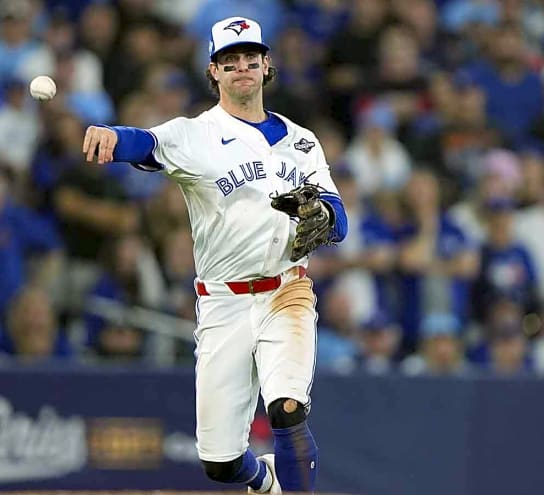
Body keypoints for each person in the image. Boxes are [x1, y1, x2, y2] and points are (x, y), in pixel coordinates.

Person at [81, 17, 348, 494]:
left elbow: (339, 218)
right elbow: (146, 143)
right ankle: (262, 480)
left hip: (286, 291)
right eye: (230, 61)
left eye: (251, 58)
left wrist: (322, 218)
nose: (242, 67)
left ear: (267, 66)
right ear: (214, 73)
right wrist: (111, 136)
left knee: (287, 407)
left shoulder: (302, 140)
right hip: (223, 302)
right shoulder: (196, 134)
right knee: (220, 462)